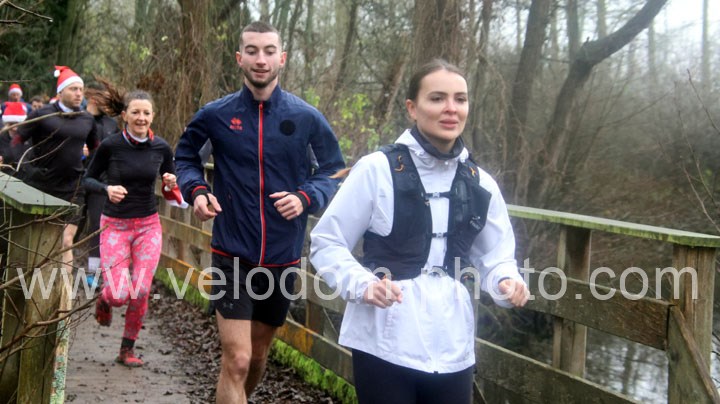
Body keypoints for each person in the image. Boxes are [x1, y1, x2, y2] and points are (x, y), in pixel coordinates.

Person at [309, 59, 530, 404]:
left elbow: (496, 256)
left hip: (452, 341)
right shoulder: (376, 170)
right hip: (384, 338)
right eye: (437, 98)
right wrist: (363, 284)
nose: (451, 108)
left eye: (460, 99)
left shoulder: (480, 183)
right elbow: (327, 242)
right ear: (412, 108)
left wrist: (506, 281)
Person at [175, 21, 345, 404]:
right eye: (252, 51)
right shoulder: (216, 115)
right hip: (232, 254)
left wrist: (306, 197)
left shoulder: (306, 118)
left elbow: (333, 170)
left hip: (283, 256)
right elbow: (185, 157)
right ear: (239, 58)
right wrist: (197, 191)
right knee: (237, 359)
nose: (261, 59)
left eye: (269, 51)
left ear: (282, 58)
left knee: (256, 357)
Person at [83, 83, 181, 367]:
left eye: (146, 113)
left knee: (140, 290)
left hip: (148, 226)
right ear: (124, 115)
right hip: (115, 225)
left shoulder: (161, 147)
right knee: (118, 294)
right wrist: (107, 189)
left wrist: (170, 184)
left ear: (153, 116)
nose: (141, 118)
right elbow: (87, 179)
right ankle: (105, 298)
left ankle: (127, 349)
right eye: (136, 112)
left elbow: (171, 191)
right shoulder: (111, 146)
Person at [17, 66, 98, 273]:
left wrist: (91, 170)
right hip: (43, 186)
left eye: (81, 89)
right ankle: (36, 282)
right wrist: (27, 169)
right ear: (60, 92)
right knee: (42, 241)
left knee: (66, 241)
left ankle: (62, 287)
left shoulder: (87, 119)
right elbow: (16, 141)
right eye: (73, 89)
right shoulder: (41, 114)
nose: (79, 93)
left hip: (74, 187)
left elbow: (96, 149)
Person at [78, 81, 120, 286]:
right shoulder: (77, 119)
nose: (108, 104)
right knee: (72, 226)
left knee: (97, 226)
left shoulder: (112, 125)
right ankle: (57, 266)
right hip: (75, 180)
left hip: (100, 182)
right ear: (93, 98)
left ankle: (92, 274)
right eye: (105, 99)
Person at [0, 102, 30, 174]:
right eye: (12, 123)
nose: (15, 127)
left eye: (17, 123)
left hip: (26, 175)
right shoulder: (1, 138)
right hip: (6, 175)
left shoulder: (29, 138)